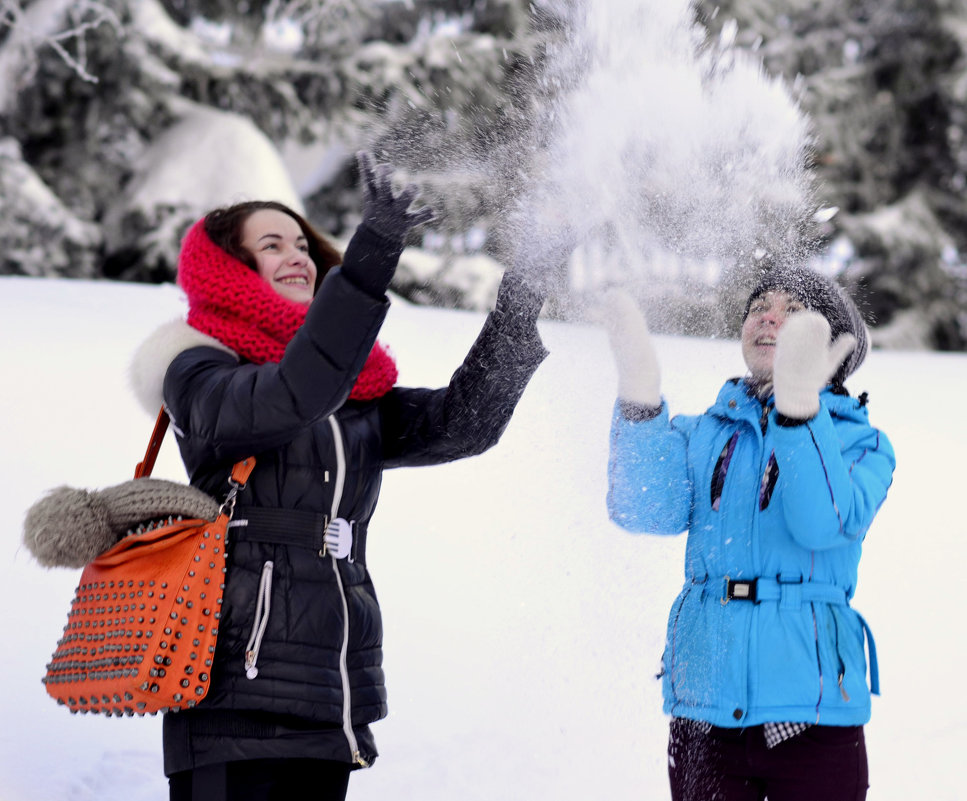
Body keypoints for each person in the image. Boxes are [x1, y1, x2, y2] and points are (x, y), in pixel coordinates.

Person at [128, 152, 550, 801]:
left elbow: (463, 424)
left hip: (327, 695)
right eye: (271, 244)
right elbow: (293, 392)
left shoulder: (353, 394)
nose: (296, 254)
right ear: (229, 268)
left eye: (301, 242)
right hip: (229, 698)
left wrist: (519, 305)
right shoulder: (197, 371)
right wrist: (373, 251)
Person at [604, 266, 895, 801]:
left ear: (831, 347)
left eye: (792, 310)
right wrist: (640, 402)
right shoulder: (708, 431)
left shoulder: (862, 441)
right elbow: (645, 510)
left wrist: (800, 413)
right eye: (760, 304)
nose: (768, 315)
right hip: (704, 709)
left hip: (812, 713)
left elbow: (822, 523)